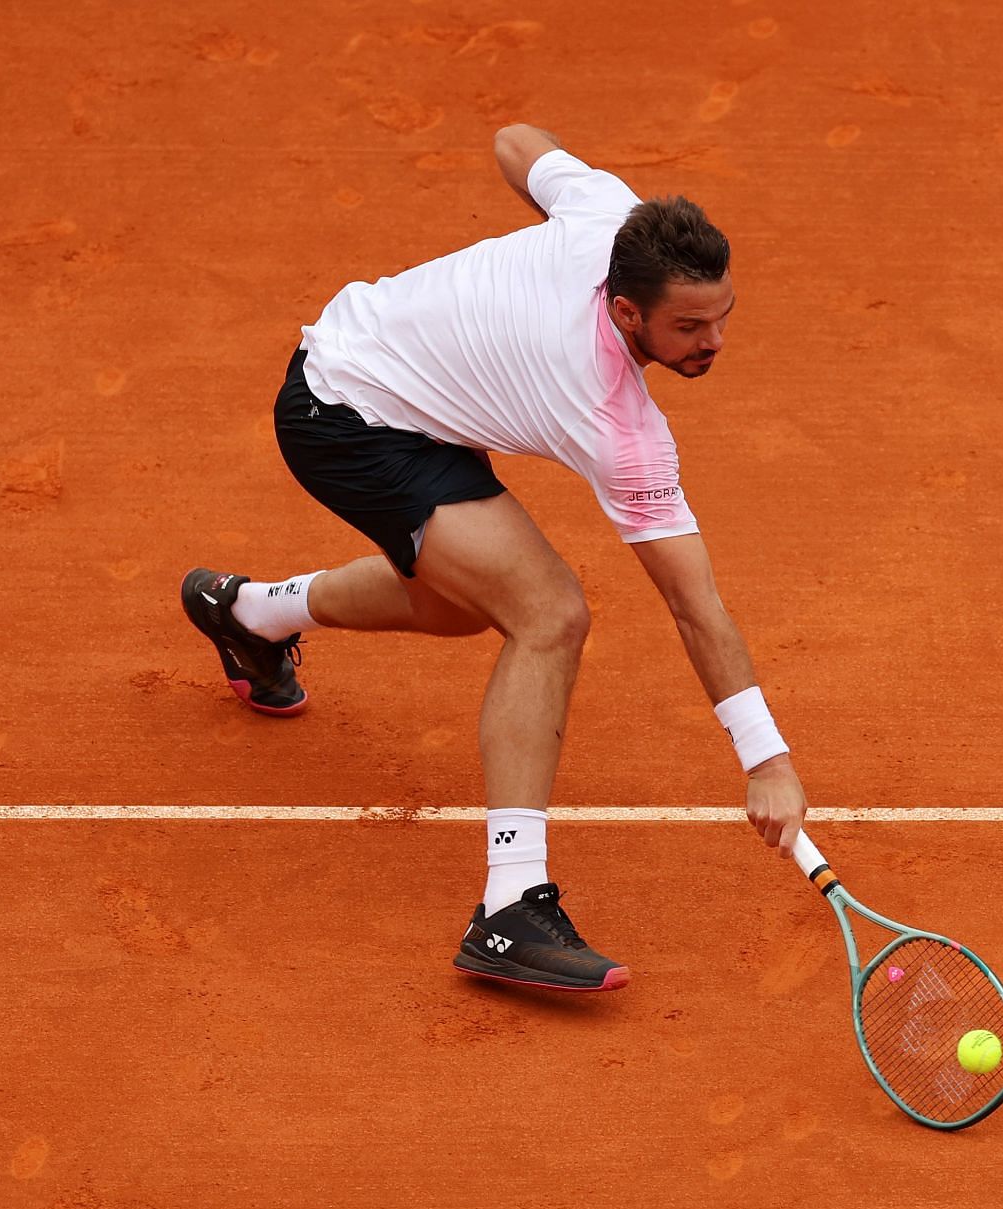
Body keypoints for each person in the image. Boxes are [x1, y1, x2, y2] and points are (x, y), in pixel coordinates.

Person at [181, 125, 808, 992]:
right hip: (347, 411)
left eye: (722, 315)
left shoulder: (607, 216)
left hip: (407, 393)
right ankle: (511, 903)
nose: (714, 341)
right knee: (549, 614)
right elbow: (693, 604)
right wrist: (766, 759)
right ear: (627, 311)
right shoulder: (619, 427)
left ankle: (250, 614)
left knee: (455, 604)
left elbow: (516, 141)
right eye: (689, 326)